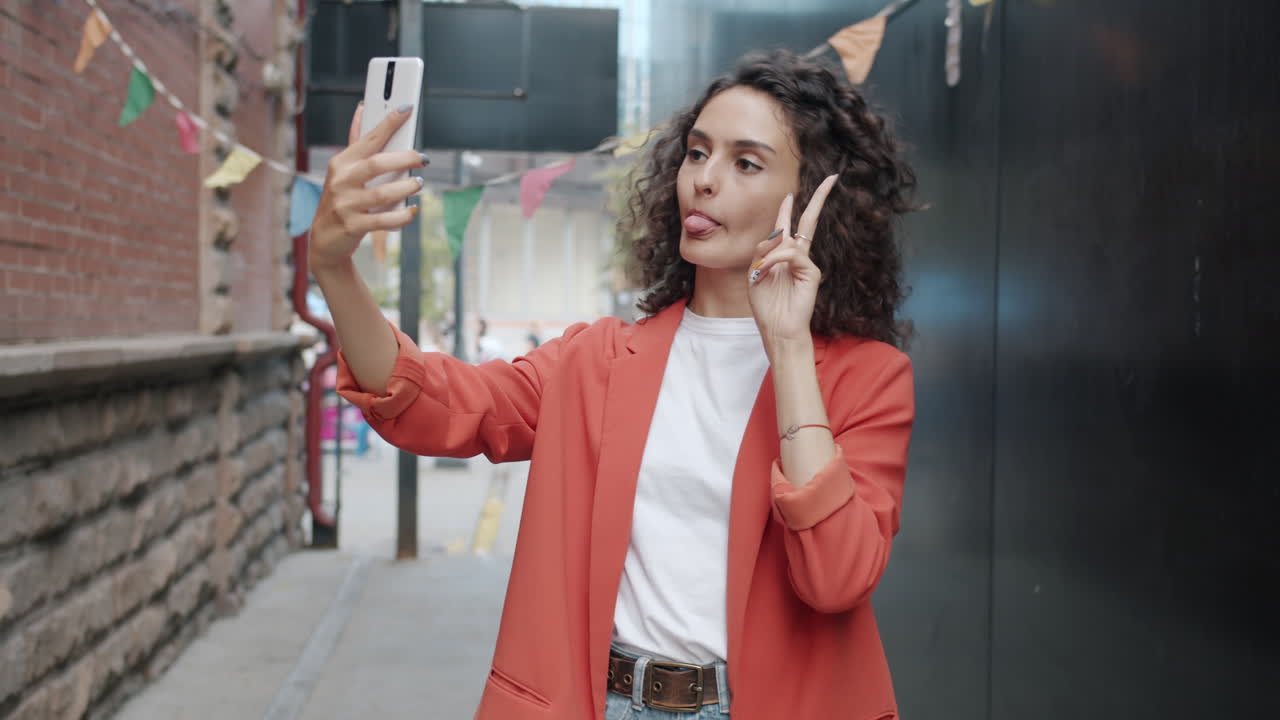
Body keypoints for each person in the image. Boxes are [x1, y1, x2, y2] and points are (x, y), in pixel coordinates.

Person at [308, 49, 917, 720]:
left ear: (813, 200)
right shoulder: (595, 360)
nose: (704, 181)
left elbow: (835, 579)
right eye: (695, 152)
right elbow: (430, 403)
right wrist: (334, 268)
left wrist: (791, 350)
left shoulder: (868, 379)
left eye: (746, 162)